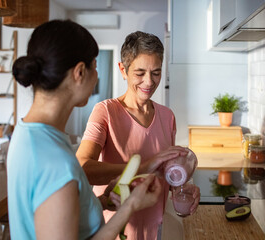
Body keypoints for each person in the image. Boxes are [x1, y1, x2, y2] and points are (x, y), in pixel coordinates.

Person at [7, 20, 162, 240]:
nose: (97, 76)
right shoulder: (54, 161)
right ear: (80, 72)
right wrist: (131, 206)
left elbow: (58, 215)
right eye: (95, 66)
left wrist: (101, 201)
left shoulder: (28, 133)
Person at [76, 31, 200, 240]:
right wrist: (143, 167)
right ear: (123, 70)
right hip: (113, 229)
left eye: (156, 72)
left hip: (154, 229)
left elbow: (165, 173)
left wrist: (183, 186)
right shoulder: (105, 111)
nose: (149, 82)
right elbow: (82, 168)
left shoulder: (167, 116)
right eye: (140, 73)